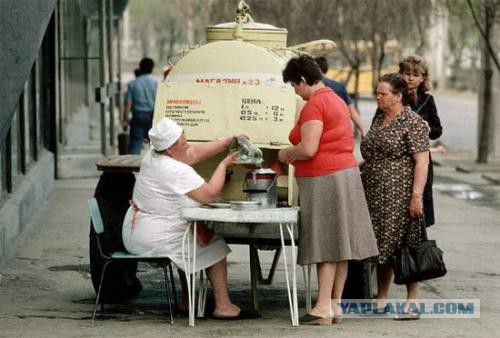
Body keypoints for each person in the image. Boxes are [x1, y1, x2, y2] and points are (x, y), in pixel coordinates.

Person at [278, 55, 379, 325]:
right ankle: (335, 306)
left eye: (293, 86)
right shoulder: (335, 98)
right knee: (340, 243)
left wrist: (286, 153)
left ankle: (322, 306)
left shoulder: (314, 105)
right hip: (345, 174)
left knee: (325, 243)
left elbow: (308, 148)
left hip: (324, 177)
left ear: (302, 79)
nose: (295, 91)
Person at [122, 117, 251, 319]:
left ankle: (187, 299)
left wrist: (228, 142)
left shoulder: (153, 156)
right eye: (183, 142)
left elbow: (193, 154)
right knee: (214, 245)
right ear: (170, 150)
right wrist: (224, 165)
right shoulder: (174, 170)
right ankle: (223, 305)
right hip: (153, 236)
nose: (188, 144)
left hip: (137, 230)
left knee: (189, 242)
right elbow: (209, 195)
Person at [360, 73, 430, 320]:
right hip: (373, 192)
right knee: (381, 246)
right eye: (377, 93)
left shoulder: (413, 122)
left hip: (400, 194)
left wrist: (416, 196)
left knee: (406, 245)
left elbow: (422, 162)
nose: (378, 97)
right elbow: (372, 152)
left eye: (383, 93)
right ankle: (382, 297)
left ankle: (412, 301)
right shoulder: (379, 119)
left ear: (398, 96)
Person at [399, 55, 442, 227]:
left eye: (415, 74)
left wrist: (428, 128)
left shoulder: (428, 100)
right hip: (399, 160)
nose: (410, 78)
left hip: (421, 161)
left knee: (419, 207)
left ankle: (419, 249)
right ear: (400, 74)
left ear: (423, 77)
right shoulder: (394, 96)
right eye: (407, 73)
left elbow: (437, 131)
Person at [315, 56, 367, 137]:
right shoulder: (339, 87)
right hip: (338, 132)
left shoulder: (308, 86)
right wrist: (362, 130)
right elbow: (352, 112)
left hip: (317, 131)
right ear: (326, 69)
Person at [122, 57, 159, 154]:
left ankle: (134, 166)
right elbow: (159, 102)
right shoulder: (156, 83)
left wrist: (125, 121)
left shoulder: (133, 84)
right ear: (152, 68)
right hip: (152, 116)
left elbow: (128, 104)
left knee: (135, 144)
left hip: (137, 116)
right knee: (156, 145)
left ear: (140, 67)